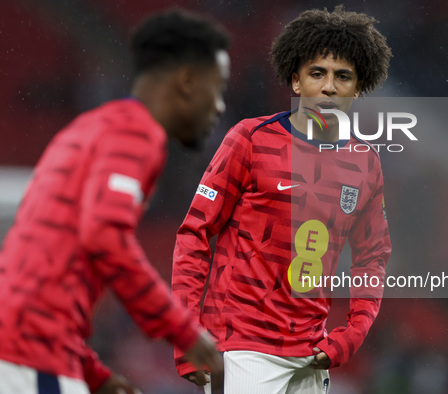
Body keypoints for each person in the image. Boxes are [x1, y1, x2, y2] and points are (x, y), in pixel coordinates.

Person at [0, 9, 230, 394]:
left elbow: (33, 273)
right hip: (32, 355)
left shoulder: (86, 130)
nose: (220, 106)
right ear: (188, 80)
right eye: (218, 87)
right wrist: (184, 332)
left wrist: (95, 377)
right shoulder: (137, 134)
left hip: (23, 346)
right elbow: (105, 235)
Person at [172, 5, 392, 393]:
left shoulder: (366, 164)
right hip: (241, 345)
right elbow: (194, 235)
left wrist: (353, 332)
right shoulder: (251, 140)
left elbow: (372, 257)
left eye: (343, 77)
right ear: (295, 80)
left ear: (358, 88)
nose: (328, 87)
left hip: (311, 351)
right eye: (317, 74)